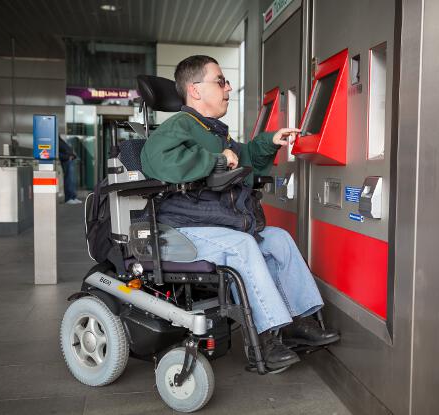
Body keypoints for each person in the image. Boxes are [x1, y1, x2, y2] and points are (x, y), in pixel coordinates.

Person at [141, 55, 339, 371]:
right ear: (195, 90)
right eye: (220, 81)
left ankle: (297, 322)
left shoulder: (213, 130)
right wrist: (213, 160)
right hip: (182, 229)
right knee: (244, 247)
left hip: (214, 224)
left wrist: (269, 142)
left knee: (279, 240)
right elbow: (154, 159)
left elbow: (242, 156)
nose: (228, 87)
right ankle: (265, 338)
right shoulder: (179, 125)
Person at [59, 136, 81, 204]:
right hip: (66, 161)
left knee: (72, 180)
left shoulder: (59, 139)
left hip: (69, 160)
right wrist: (67, 157)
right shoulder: (55, 139)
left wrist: (72, 155)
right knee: (69, 179)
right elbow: (57, 153)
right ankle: (68, 198)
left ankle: (73, 197)